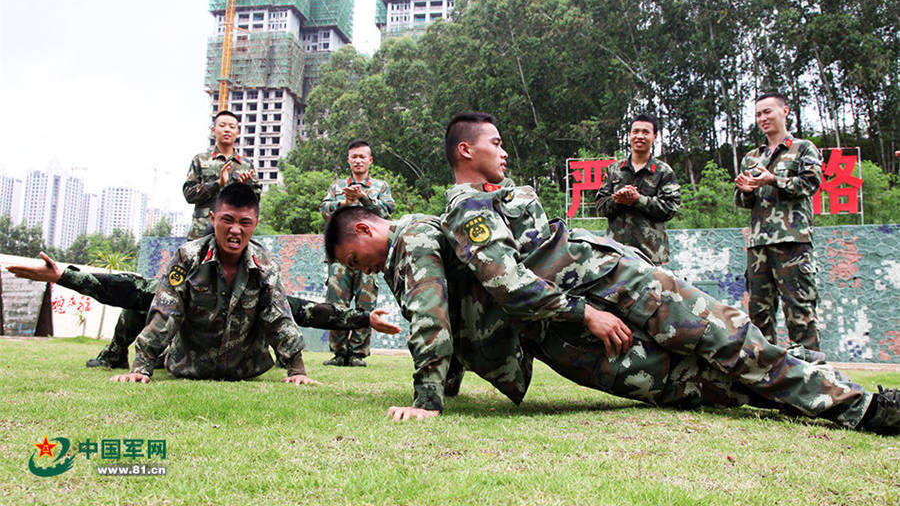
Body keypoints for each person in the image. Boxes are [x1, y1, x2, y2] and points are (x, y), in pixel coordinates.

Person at [323, 112, 899, 435]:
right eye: (494, 144)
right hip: (590, 300)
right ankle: (836, 401)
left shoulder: (472, 208)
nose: (504, 151)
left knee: (726, 338)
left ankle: (857, 406)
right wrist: (586, 315)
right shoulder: (465, 208)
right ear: (466, 152)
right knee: (695, 381)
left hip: (607, 283)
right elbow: (502, 285)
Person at [6, 252, 401, 369]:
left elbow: (305, 311)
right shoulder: (184, 279)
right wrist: (64, 276)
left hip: (239, 366)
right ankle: (114, 354)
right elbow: (122, 286)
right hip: (185, 360)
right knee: (141, 300)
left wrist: (363, 318)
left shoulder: (259, 285)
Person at [105, 183, 307, 384]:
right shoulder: (187, 257)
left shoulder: (267, 266)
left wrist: (297, 371)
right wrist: (141, 368)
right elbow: (166, 312)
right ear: (213, 218)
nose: (235, 230)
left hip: (244, 371)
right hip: (189, 367)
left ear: (255, 224)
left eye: (245, 222)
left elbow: (278, 316)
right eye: (227, 220)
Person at [734, 92, 822, 351]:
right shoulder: (752, 157)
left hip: (792, 241)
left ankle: (809, 369)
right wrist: (746, 190)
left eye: (768, 112)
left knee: (799, 308)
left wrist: (773, 180)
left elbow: (810, 184)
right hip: (758, 244)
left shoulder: (803, 148)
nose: (763, 118)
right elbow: (741, 199)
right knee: (759, 312)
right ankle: (765, 370)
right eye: (758, 114)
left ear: (784, 111)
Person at [319, 139, 395, 367]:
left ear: (370, 160)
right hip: (341, 255)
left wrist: (363, 198)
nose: (358, 161)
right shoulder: (337, 186)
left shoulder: (380, 187)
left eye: (362, 157)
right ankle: (339, 352)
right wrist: (344, 202)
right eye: (354, 157)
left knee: (366, 303)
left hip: (369, 255)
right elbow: (324, 210)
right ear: (348, 160)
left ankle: (358, 353)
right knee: (336, 303)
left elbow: (387, 213)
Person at [595, 114, 680, 265]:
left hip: (651, 256)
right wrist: (617, 200)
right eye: (636, 131)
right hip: (616, 255)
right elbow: (600, 207)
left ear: (654, 137)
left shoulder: (663, 171)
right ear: (629, 135)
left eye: (645, 132)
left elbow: (670, 208)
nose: (640, 136)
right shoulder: (614, 170)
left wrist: (638, 200)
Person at [183, 110, 262, 239]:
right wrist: (217, 184)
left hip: (234, 232)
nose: (227, 130)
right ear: (214, 130)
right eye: (222, 125)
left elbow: (255, 201)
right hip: (202, 232)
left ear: (237, 132)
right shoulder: (201, 160)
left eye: (232, 127)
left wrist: (245, 187)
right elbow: (189, 194)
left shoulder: (246, 165)